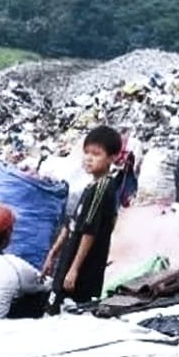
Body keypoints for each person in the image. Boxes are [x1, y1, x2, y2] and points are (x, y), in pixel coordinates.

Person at [44, 126, 126, 308]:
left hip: (84, 268)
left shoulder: (103, 189)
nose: (89, 158)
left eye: (96, 154)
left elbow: (90, 232)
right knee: (55, 307)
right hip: (68, 259)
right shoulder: (90, 186)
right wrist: (53, 253)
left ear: (112, 158)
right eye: (87, 152)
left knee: (71, 311)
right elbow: (71, 222)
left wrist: (74, 270)